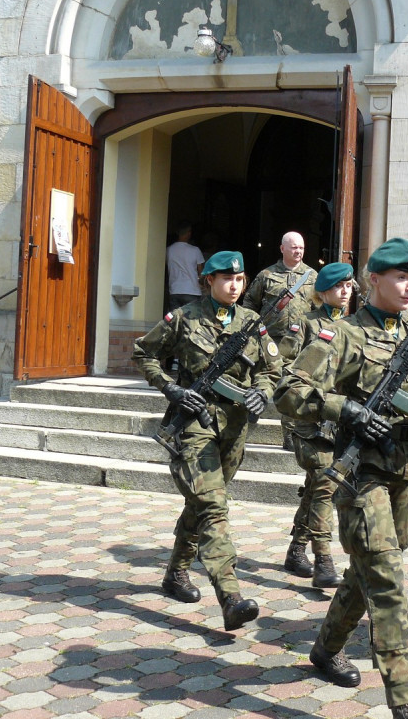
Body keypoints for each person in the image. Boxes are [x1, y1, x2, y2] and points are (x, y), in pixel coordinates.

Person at [274, 237, 408, 719]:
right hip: (360, 472)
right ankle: (407, 705)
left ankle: (325, 648)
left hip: (404, 471)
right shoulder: (342, 335)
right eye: (401, 277)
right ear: (374, 281)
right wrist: (347, 409)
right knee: (386, 581)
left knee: (368, 571)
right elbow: (290, 388)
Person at [132, 250, 282, 633]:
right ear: (208, 281)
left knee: (201, 503)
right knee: (214, 508)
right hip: (195, 424)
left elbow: (270, 368)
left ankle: (175, 572)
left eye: (240, 279)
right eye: (226, 279)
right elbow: (142, 352)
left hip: (233, 429)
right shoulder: (183, 319)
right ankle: (230, 596)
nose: (234, 285)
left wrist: (261, 393)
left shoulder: (251, 322)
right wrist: (171, 389)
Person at [278, 261, 357, 587]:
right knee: (326, 482)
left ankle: (296, 549)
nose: (345, 291)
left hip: (341, 422)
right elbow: (283, 366)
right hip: (309, 420)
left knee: (315, 486)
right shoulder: (305, 325)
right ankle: (324, 559)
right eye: (338, 286)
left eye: (349, 285)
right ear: (323, 291)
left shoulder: (355, 327)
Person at [244, 231, 317, 450]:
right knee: (264, 380)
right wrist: (252, 331)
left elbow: (320, 308)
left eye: (302, 248)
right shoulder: (266, 275)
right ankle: (251, 413)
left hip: (300, 343)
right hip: (270, 341)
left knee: (291, 387)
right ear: (282, 248)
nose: (299, 251)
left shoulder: (313, 276)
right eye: (294, 247)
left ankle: (289, 436)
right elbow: (250, 302)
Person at [166, 221, 205, 309]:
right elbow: (201, 273)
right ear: (189, 233)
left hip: (174, 290)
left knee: (176, 320)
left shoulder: (168, 250)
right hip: (192, 291)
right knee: (192, 321)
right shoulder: (195, 250)